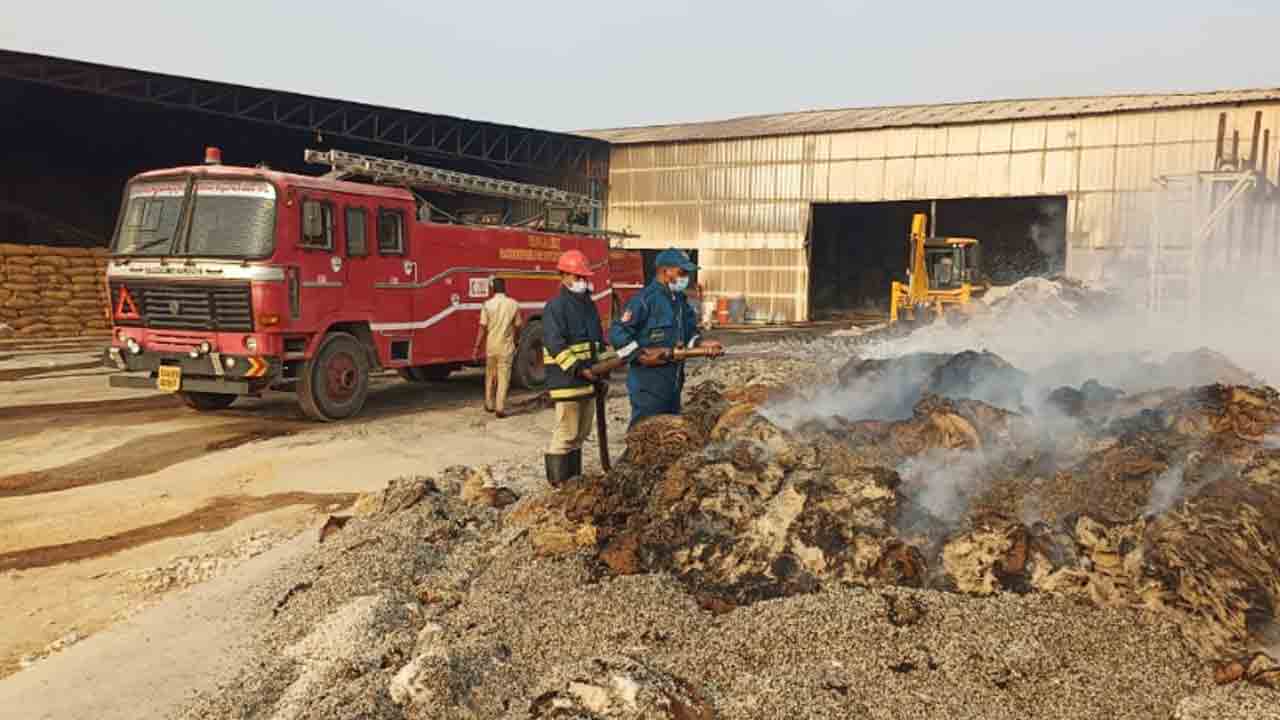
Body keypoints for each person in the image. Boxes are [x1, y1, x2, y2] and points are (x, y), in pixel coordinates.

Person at [608, 247, 723, 428]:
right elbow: (617, 332)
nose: (686, 277)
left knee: (667, 436)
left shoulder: (679, 301)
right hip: (648, 386)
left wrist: (700, 343)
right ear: (665, 270)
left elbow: (689, 332)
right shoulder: (645, 300)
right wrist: (639, 355)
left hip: (673, 383)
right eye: (682, 272)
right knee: (644, 433)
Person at [541, 249, 615, 486]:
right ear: (562, 276)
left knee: (581, 435)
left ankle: (573, 482)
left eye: (584, 277)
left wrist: (605, 366)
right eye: (576, 277)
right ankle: (559, 485)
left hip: (589, 381)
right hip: (568, 381)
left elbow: (596, 342)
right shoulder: (556, 307)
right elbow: (554, 344)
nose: (582, 282)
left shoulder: (587, 305)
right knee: (566, 434)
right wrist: (578, 368)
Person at [473, 277, 522, 418]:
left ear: (492, 289)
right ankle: (500, 407)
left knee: (490, 376)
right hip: (506, 347)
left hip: (491, 346)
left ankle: (489, 403)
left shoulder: (487, 305)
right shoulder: (513, 304)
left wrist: (476, 347)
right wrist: (517, 340)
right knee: (503, 377)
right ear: (504, 288)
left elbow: (482, 328)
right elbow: (518, 326)